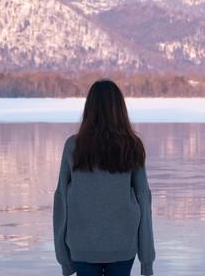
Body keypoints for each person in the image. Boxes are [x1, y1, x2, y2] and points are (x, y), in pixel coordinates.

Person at [53, 79, 156, 276]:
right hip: (123, 245)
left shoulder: (73, 146)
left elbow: (61, 201)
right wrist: (147, 261)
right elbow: (144, 200)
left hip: (82, 246)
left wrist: (64, 259)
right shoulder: (131, 146)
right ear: (119, 109)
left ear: (89, 109)